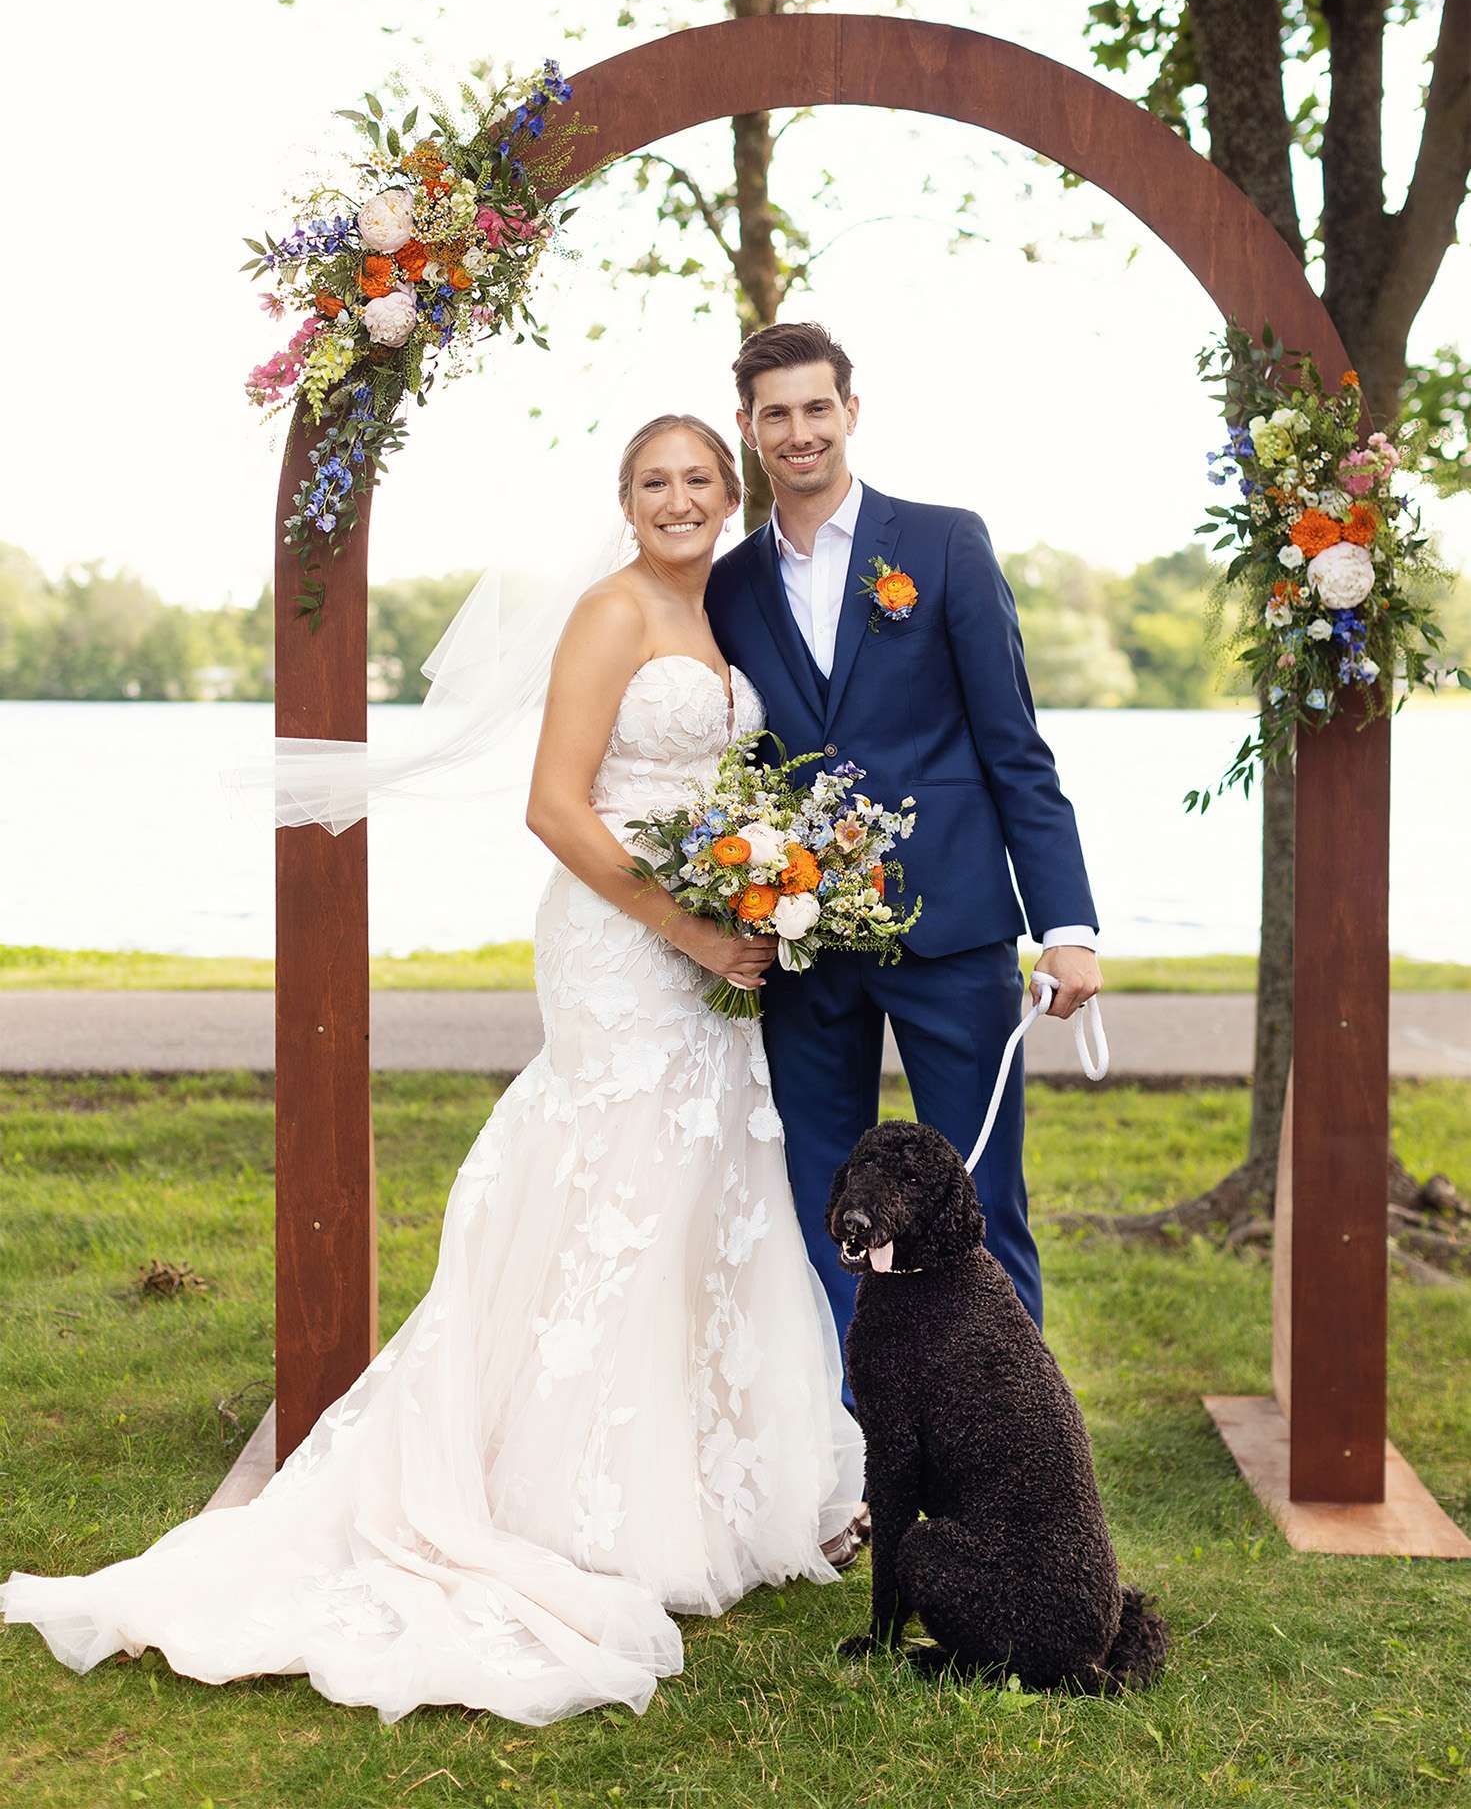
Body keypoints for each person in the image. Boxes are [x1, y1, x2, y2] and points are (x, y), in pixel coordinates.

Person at [0, 414, 864, 1728]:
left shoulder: (720, 612)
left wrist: (760, 882)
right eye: (652, 484)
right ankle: (566, 1495)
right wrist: (689, 919)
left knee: (704, 1184)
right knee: (609, 1182)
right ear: (622, 503)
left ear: (728, 498)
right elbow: (555, 805)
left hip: (709, 949)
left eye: (698, 482)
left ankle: (714, 1485)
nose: (677, 501)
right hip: (621, 939)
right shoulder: (609, 614)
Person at [705, 322, 1101, 1362]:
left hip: (952, 928)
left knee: (977, 1197)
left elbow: (1015, 746)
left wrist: (1065, 924)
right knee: (822, 1199)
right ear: (749, 429)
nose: (799, 433)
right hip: (806, 943)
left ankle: (1018, 1450)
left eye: (816, 408)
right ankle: (855, 1448)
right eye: (776, 414)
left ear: (849, 411)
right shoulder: (729, 584)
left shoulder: (940, 543)